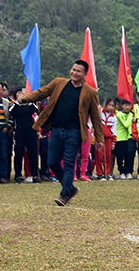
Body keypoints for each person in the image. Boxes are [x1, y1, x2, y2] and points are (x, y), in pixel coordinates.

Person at [18, 59, 104, 205]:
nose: (74, 73)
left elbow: (96, 116)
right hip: (56, 129)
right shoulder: (59, 83)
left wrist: (100, 139)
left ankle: (64, 195)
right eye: (73, 69)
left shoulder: (89, 92)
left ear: (84, 75)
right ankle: (69, 187)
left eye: (78, 71)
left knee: (70, 163)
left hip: (75, 132)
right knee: (52, 162)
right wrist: (25, 98)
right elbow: (41, 92)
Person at [11, 87, 38, 182]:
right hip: (19, 131)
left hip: (31, 131)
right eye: (19, 93)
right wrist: (18, 102)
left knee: (33, 153)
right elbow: (12, 112)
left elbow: (36, 110)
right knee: (18, 153)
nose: (22, 95)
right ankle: (18, 175)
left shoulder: (31, 105)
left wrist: (28, 100)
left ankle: (35, 175)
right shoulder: (15, 106)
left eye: (24, 93)